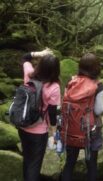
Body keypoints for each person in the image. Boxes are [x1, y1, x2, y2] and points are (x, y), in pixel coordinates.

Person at [61, 53, 103, 181]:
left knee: (69, 164)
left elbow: (64, 103)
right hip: (90, 131)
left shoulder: (71, 81)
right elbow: (98, 110)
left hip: (70, 128)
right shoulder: (98, 85)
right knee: (91, 166)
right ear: (97, 68)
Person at [19, 48, 61, 181]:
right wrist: (54, 133)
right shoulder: (54, 87)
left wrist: (40, 53)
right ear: (56, 71)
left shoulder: (29, 74)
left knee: (27, 158)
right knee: (34, 165)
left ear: (40, 65)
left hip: (23, 125)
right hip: (39, 132)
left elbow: (25, 57)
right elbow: (52, 113)